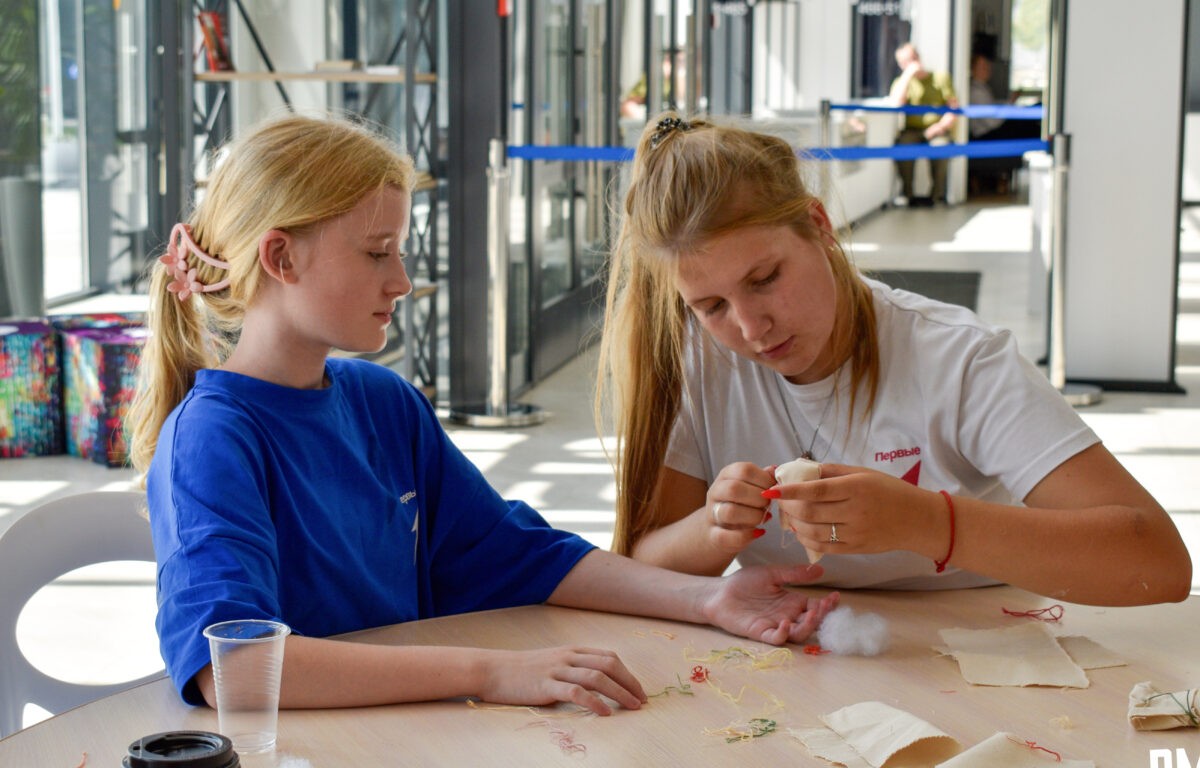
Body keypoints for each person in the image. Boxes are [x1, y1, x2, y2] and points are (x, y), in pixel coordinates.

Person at [126, 113, 839, 715]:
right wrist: (492, 672)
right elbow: (234, 670)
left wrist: (707, 601)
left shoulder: (384, 402)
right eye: (377, 252)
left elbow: (518, 554)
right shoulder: (212, 438)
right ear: (280, 257)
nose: (401, 280)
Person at [595, 112, 1192, 608]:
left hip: (995, 646)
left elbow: (1158, 562)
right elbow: (642, 565)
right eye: (710, 305)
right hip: (807, 667)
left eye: (766, 278)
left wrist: (930, 523)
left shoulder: (960, 359)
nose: (752, 328)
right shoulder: (703, 368)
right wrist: (714, 527)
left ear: (818, 225)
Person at [889, 43, 958, 205]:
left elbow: (953, 108)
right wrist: (907, 76)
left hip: (938, 129)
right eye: (906, 61)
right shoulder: (901, 82)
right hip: (912, 130)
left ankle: (936, 196)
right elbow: (896, 104)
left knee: (941, 149)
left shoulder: (940, 78)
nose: (912, 63)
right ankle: (908, 194)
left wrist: (939, 127)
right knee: (903, 148)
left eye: (913, 58)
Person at [966, 51, 1041, 195]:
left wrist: (1010, 104)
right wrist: (1010, 108)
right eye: (983, 67)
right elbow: (993, 122)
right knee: (1027, 123)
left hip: (993, 128)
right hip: (987, 134)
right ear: (973, 69)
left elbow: (993, 107)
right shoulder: (976, 91)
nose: (987, 70)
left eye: (988, 66)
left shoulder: (983, 88)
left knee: (1029, 117)